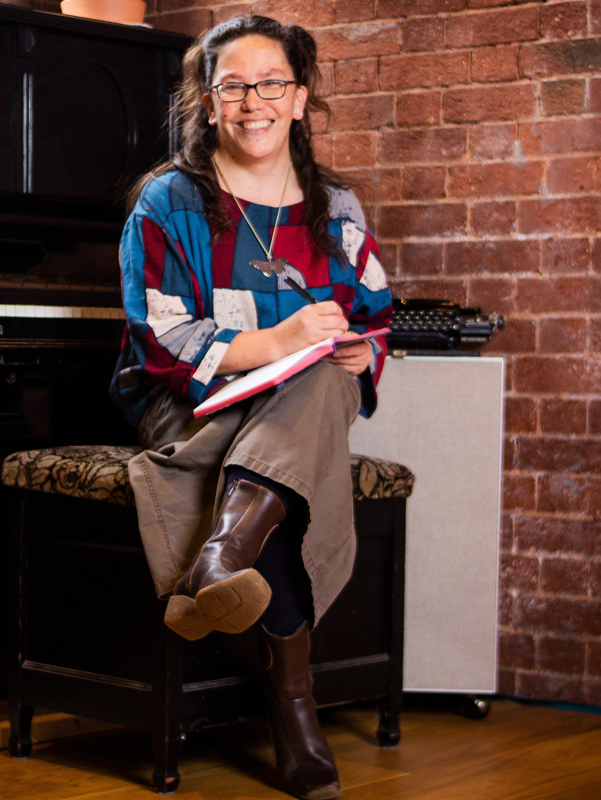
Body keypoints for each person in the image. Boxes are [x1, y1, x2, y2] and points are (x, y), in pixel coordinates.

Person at [110, 15, 392, 800]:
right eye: (232, 86)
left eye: (271, 84)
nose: (252, 102)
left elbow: (372, 314)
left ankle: (221, 557)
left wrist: (359, 350)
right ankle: (293, 704)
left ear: (300, 99)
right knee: (278, 447)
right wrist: (277, 340)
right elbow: (160, 338)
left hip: (302, 403)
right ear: (208, 103)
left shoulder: (336, 207)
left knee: (323, 384)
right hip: (191, 402)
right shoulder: (168, 200)